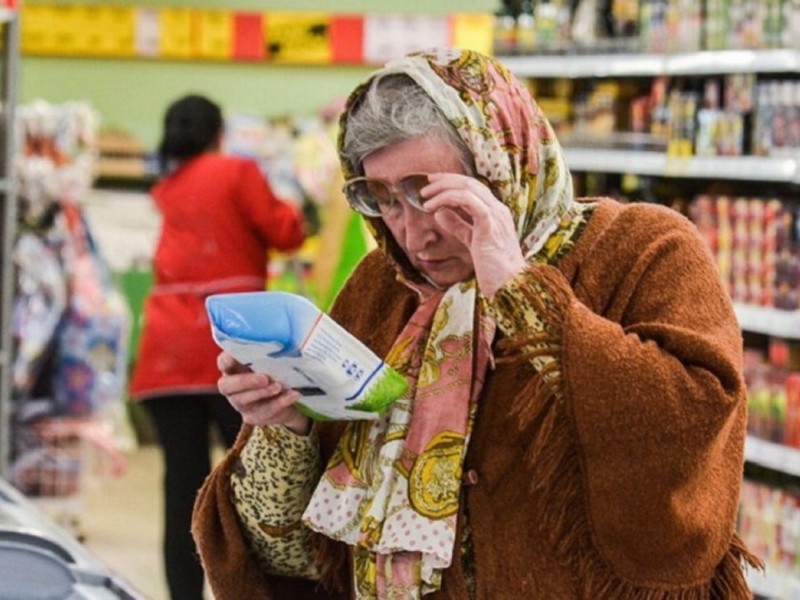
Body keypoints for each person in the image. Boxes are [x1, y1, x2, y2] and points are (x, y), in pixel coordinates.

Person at [191, 49, 762, 599]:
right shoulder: (380, 287)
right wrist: (289, 425)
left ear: (501, 165)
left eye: (431, 193)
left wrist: (518, 286)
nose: (415, 234)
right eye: (385, 199)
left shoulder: (643, 247)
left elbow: (694, 417)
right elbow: (293, 555)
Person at [129, 94, 305, 600]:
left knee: (181, 489)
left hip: (164, 352)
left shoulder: (166, 187)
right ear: (218, 132)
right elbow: (285, 232)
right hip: (233, 348)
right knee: (251, 486)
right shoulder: (238, 173)